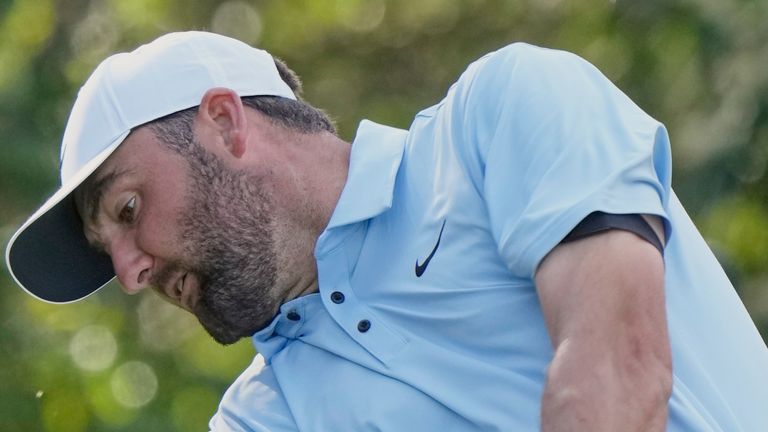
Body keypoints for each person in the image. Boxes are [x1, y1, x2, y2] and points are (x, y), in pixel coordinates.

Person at [5, 31, 767, 431]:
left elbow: (616, 372)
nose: (132, 273)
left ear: (226, 123)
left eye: (129, 211)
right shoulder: (264, 417)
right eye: (113, 254)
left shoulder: (501, 118)